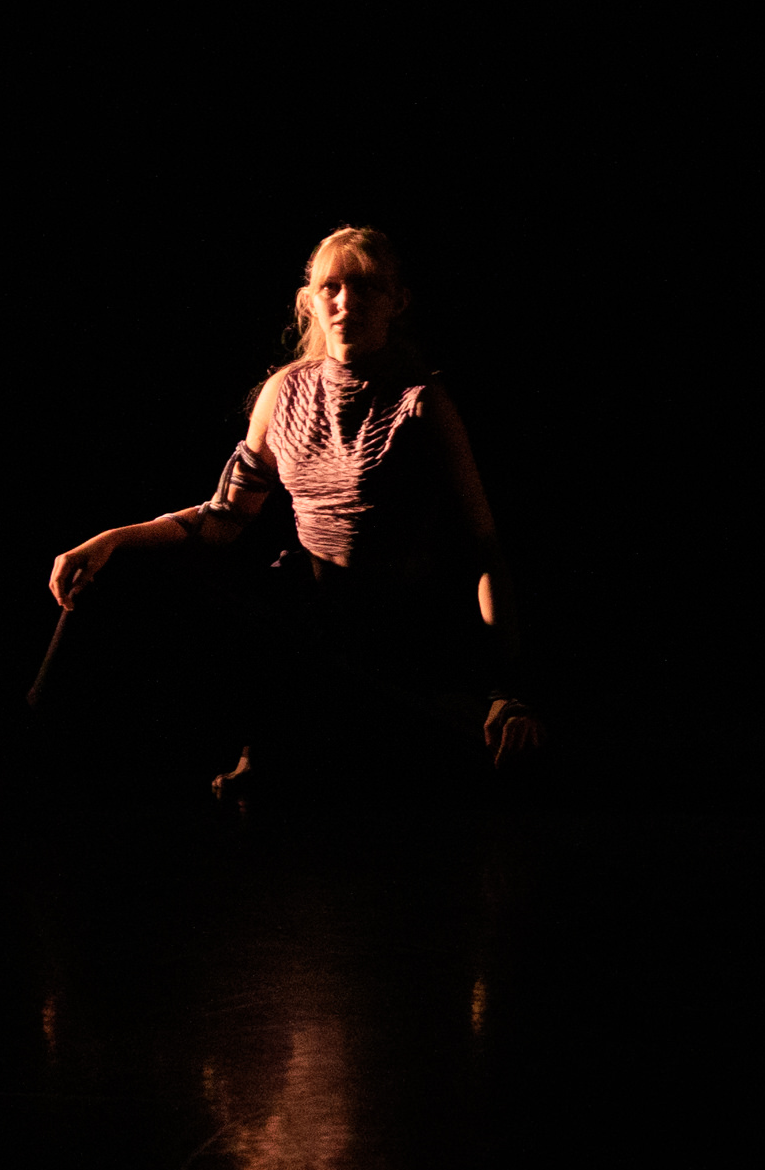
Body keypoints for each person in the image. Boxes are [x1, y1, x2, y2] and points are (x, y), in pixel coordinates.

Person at [29, 225, 544, 797]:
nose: (346, 302)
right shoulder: (286, 391)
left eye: (366, 287)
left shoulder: (421, 404)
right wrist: (111, 538)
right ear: (310, 300)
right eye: (331, 287)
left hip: (391, 632)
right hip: (306, 610)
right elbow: (223, 518)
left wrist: (507, 688)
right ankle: (38, 752)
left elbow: (483, 550)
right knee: (117, 574)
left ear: (397, 302)